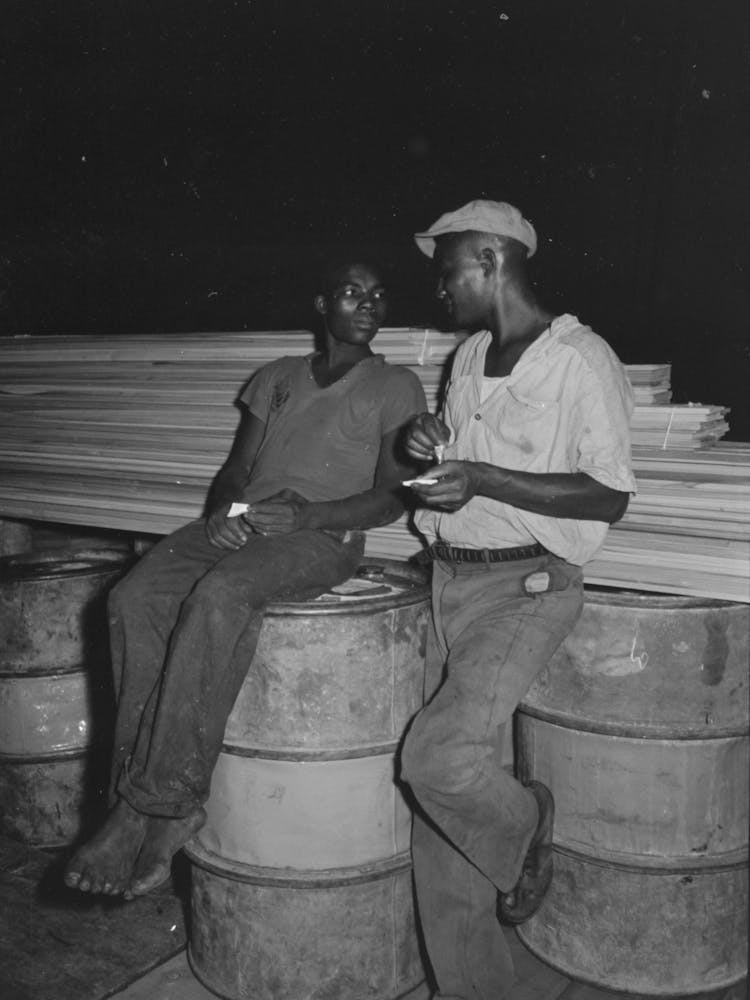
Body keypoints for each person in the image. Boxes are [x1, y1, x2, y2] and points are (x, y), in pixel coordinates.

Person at [64, 261, 427, 899]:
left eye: (378, 295)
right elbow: (236, 470)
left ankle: (153, 804)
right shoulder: (278, 378)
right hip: (247, 525)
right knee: (133, 596)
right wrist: (225, 514)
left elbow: (393, 499)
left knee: (221, 594)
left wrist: (308, 514)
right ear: (322, 303)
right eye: (351, 293)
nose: (367, 304)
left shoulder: (394, 385)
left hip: (322, 537)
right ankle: (142, 795)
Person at [399, 200, 636, 1000]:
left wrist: (484, 478)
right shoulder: (467, 356)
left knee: (436, 758)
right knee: (441, 818)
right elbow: (458, 453)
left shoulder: (580, 360)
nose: (440, 288)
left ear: (493, 257)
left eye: (449, 270)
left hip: (527, 584)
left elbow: (608, 496)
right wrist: (426, 444)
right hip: (452, 578)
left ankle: (528, 824)